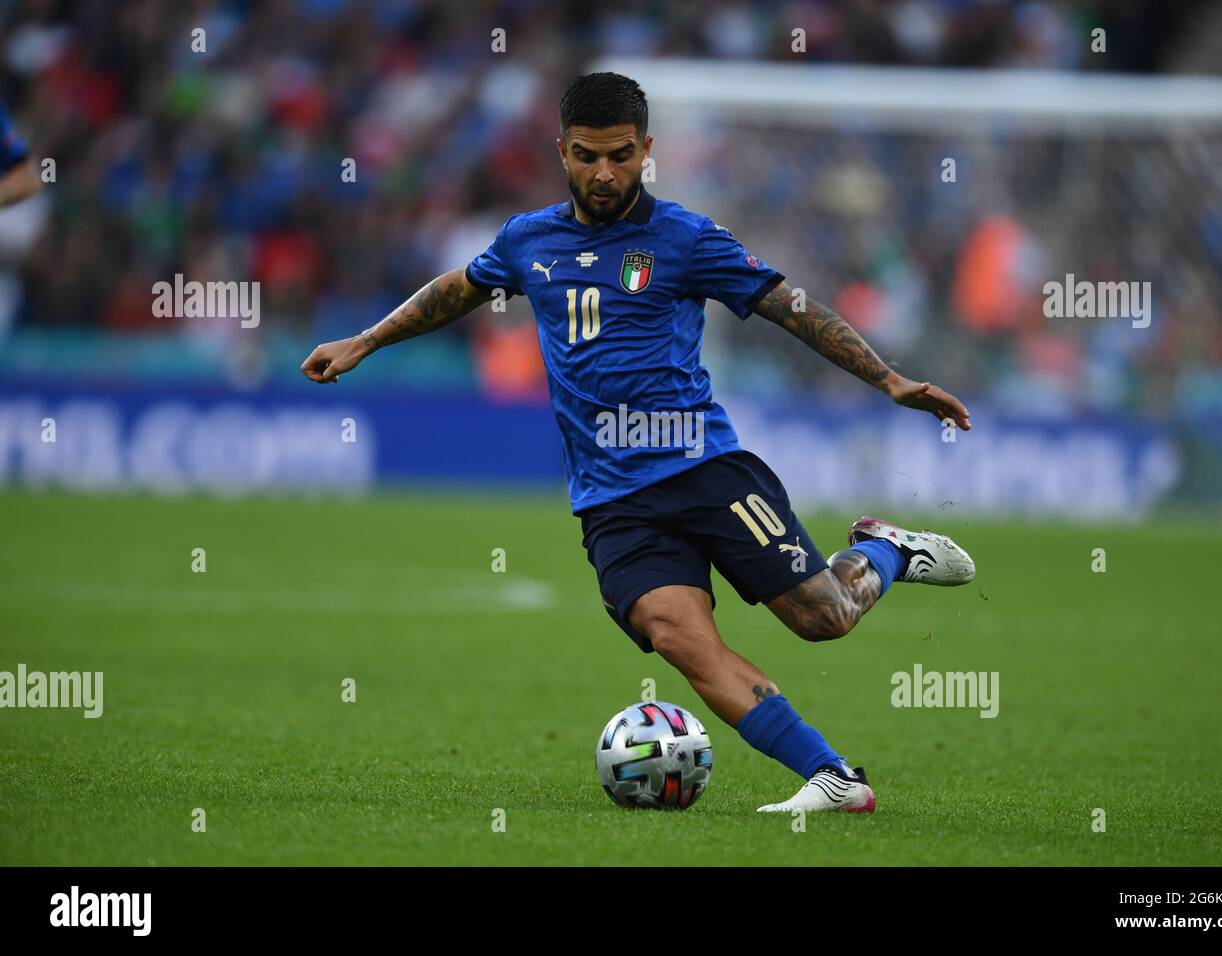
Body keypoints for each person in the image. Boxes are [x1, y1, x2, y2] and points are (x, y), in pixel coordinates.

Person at [302, 72, 976, 813]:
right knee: (674, 633)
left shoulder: (685, 238)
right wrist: (366, 340)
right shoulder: (527, 241)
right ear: (561, 150)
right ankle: (835, 777)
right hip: (612, 499)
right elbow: (458, 288)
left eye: (621, 155)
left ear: (646, 149)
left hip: (705, 469)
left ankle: (885, 549)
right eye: (587, 156)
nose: (604, 173)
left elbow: (790, 307)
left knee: (824, 619)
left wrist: (888, 380)